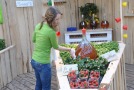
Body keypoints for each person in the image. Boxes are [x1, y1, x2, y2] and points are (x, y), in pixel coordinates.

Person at [30, 6, 75, 90]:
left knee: (38, 84)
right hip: (43, 64)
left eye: (59, 19)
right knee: (46, 87)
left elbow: (33, 39)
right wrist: (70, 49)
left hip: (34, 61)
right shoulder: (51, 32)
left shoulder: (38, 26)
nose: (58, 21)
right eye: (56, 19)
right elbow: (56, 47)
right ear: (51, 19)